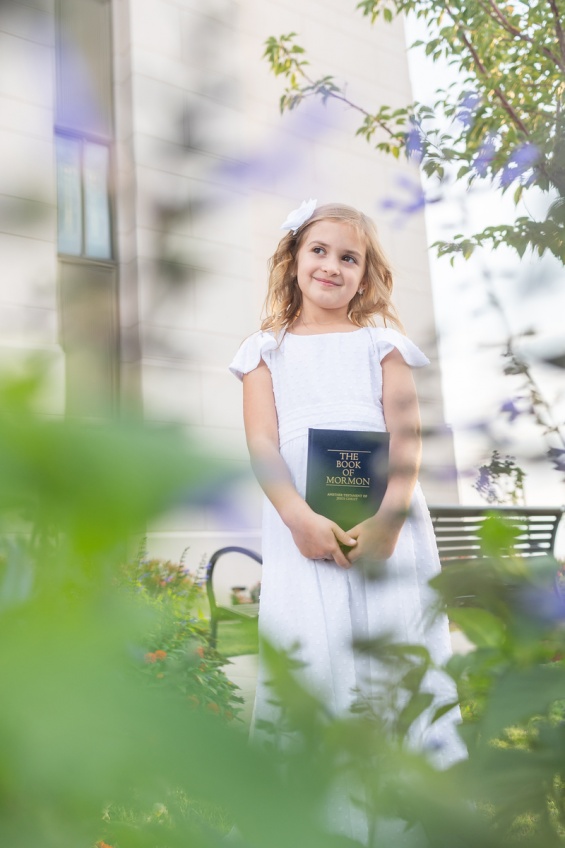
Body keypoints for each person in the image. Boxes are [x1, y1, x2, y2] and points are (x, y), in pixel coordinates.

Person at [229, 201, 466, 841]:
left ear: (366, 274)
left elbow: (406, 434)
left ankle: (409, 814)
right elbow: (262, 444)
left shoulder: (380, 343)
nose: (332, 265)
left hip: (388, 525)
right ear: (293, 259)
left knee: (394, 650)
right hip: (300, 524)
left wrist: (390, 519)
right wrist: (296, 516)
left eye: (349, 257)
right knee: (316, 652)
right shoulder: (264, 352)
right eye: (320, 250)